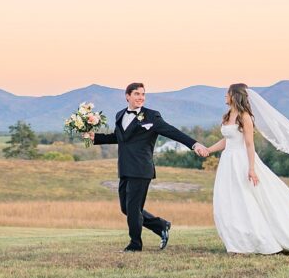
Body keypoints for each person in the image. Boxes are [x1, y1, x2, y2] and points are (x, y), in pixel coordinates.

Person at [83, 82, 208, 252]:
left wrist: (194, 144)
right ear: (127, 96)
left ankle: (135, 245)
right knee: (126, 208)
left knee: (133, 209)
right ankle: (161, 225)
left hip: (142, 169)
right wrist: (95, 137)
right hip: (125, 168)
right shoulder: (120, 115)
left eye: (143, 94)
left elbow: (172, 131)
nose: (140, 97)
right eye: (136, 94)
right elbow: (119, 137)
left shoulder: (152, 116)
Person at [206, 83, 289, 254]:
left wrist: (251, 168)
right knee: (230, 200)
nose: (225, 96)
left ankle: (261, 239)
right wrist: (209, 150)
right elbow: (228, 141)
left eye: (227, 93)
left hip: (242, 160)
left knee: (248, 199)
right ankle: (238, 241)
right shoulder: (228, 115)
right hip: (227, 162)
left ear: (235, 95)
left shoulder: (245, 117)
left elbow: (249, 144)